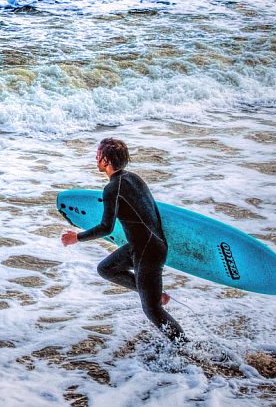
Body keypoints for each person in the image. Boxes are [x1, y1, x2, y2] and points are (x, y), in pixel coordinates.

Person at [61, 138, 185, 341]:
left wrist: (77, 237)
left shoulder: (112, 189)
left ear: (107, 160)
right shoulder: (134, 179)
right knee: (106, 269)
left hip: (146, 252)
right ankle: (152, 292)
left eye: (99, 154)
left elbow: (106, 227)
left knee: (153, 311)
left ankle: (186, 349)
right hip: (149, 246)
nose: (96, 157)